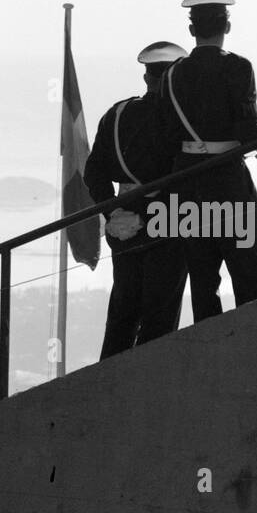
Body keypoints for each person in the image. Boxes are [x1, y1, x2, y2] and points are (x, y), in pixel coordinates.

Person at [155, 0, 257, 323]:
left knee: (202, 275)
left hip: (188, 184)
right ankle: (255, 337)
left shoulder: (172, 74)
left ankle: (209, 341)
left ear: (192, 31)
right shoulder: (238, 67)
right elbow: (247, 122)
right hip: (228, 182)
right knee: (247, 269)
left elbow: (167, 133)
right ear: (227, 26)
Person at [84, 41, 189, 358]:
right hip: (169, 221)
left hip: (123, 219)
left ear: (147, 77)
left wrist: (113, 213)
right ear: (175, 79)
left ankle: (108, 379)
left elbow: (94, 173)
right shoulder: (181, 119)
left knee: (123, 309)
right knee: (161, 315)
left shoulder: (117, 114)